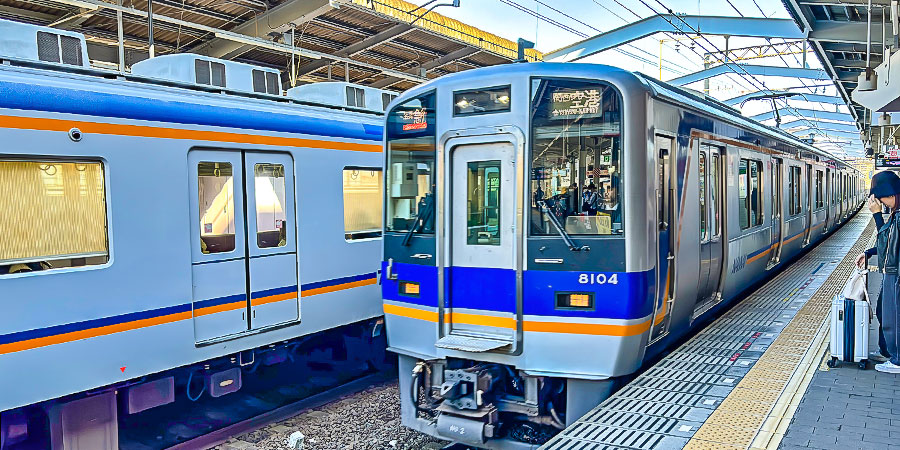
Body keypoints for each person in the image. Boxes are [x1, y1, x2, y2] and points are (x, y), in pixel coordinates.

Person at [856, 170, 900, 373]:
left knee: (894, 316)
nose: (880, 203)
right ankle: (889, 351)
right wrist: (870, 252)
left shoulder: (898, 216)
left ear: (891, 194)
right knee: (884, 311)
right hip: (891, 270)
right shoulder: (895, 213)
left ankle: (897, 359)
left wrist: (876, 215)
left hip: (896, 272)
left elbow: (886, 239)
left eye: (881, 199)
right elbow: (886, 242)